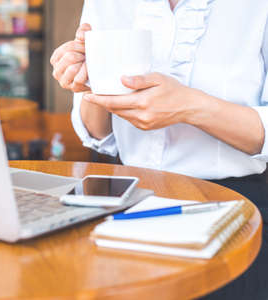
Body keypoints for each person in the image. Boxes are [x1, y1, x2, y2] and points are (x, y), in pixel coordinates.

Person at [50, 0, 268, 299]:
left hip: (231, 213)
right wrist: (86, 79)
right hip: (124, 206)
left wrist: (190, 107)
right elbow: (99, 133)